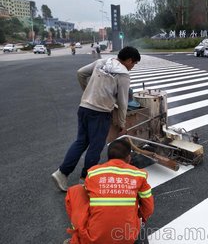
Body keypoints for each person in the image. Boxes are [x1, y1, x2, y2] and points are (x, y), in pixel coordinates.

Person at [52, 46, 141, 192]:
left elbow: (80, 73)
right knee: (96, 146)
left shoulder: (102, 62)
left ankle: (62, 173)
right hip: (100, 113)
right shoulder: (123, 74)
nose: (132, 67)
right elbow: (123, 102)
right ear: (129, 60)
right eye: (134, 64)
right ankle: (85, 179)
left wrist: (88, 91)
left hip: (84, 107)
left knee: (81, 142)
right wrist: (121, 123)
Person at [63, 139, 154, 244]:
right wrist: (137, 216)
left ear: (108, 157)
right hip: (128, 237)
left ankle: (79, 235)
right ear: (129, 158)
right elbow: (149, 208)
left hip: (95, 238)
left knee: (77, 191)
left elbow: (88, 197)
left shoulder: (93, 172)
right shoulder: (139, 175)